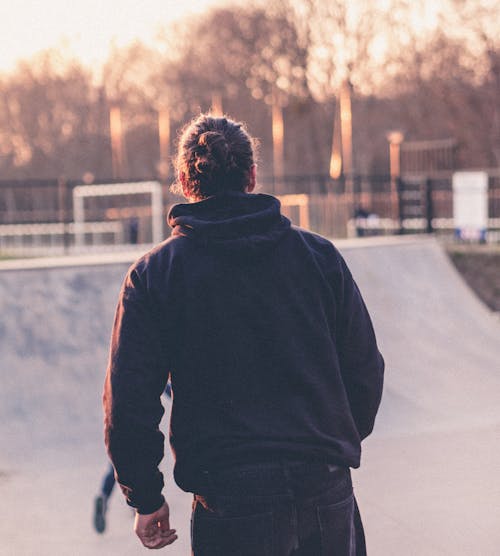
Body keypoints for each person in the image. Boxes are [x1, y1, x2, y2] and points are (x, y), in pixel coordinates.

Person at [103, 114, 384, 554]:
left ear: (183, 180)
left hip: (231, 500)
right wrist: (327, 442)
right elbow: (365, 367)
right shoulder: (319, 257)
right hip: (323, 488)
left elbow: (129, 400)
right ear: (251, 177)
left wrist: (146, 495)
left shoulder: (156, 274)